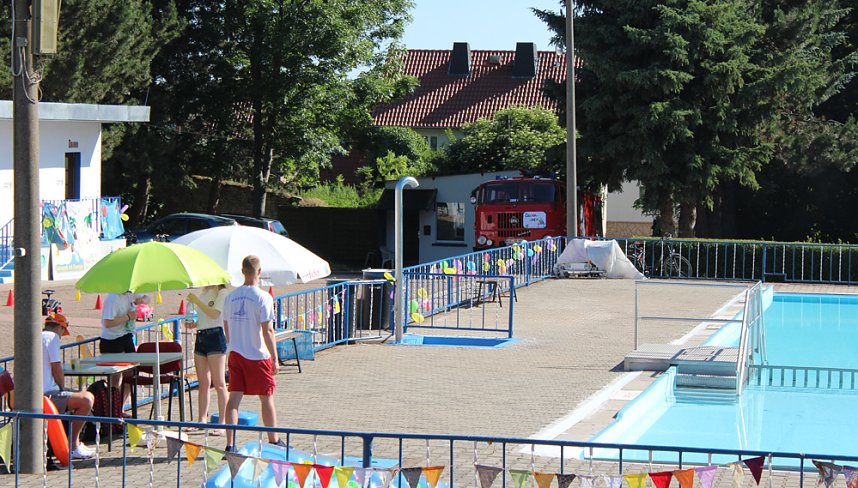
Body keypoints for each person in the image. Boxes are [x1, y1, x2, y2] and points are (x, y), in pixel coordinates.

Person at [222, 255, 284, 451]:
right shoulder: (263, 297)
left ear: (242, 271)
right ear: (259, 272)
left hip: (236, 353)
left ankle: (230, 445)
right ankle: (274, 440)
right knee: (266, 398)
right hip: (258, 355)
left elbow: (226, 326)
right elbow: (267, 330)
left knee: (233, 400)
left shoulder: (230, 297)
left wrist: (234, 343)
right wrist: (275, 357)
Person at [42, 313, 96, 459]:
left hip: (37, 393)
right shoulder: (52, 338)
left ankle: (73, 442)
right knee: (87, 399)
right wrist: (61, 387)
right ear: (60, 327)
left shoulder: (37, 336)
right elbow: (56, 368)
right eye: (62, 332)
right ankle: (73, 445)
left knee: (81, 396)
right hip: (47, 394)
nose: (61, 335)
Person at [185, 284, 230, 435]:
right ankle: (202, 419)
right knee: (203, 382)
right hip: (201, 335)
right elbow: (201, 317)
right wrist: (192, 322)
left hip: (215, 336)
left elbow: (215, 314)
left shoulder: (222, 293)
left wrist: (197, 301)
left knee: (219, 383)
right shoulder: (204, 293)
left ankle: (222, 422)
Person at [100, 291, 150, 405]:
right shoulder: (113, 298)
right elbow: (107, 322)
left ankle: (119, 407)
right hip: (112, 340)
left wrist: (141, 301)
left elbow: (147, 298)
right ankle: (112, 410)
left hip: (126, 336)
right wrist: (127, 317)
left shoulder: (128, 294)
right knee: (115, 378)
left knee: (131, 375)